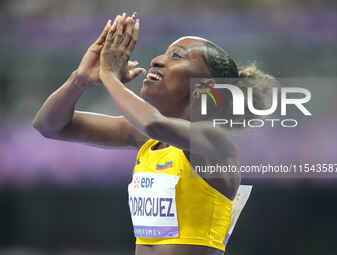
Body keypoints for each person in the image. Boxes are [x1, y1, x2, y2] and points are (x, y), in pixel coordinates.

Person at [33, 12, 271, 255]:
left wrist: (109, 75)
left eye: (176, 56)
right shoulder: (148, 140)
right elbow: (50, 125)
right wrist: (79, 80)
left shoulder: (214, 141)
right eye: (165, 52)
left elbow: (152, 123)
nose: (157, 60)